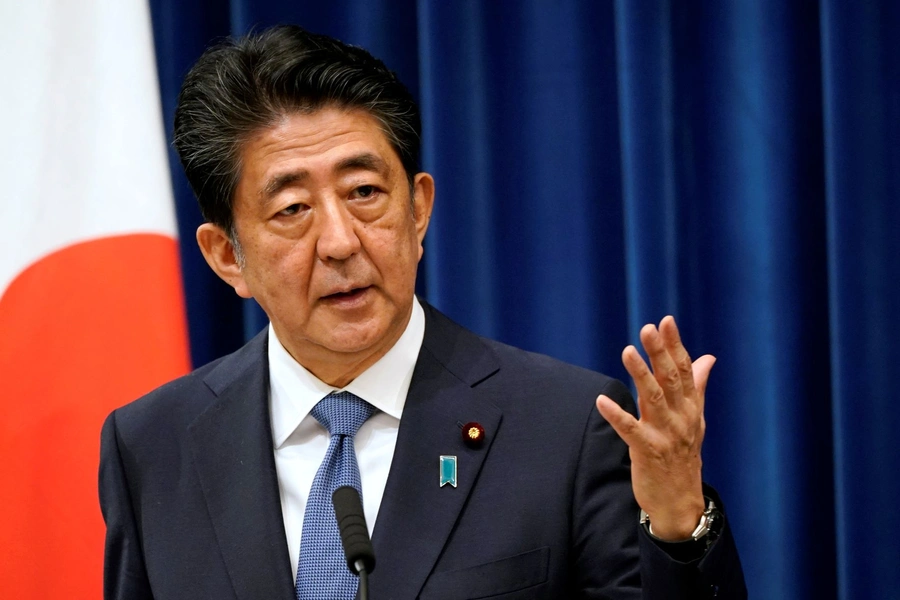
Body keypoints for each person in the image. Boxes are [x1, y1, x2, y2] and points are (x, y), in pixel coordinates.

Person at [99, 25, 746, 599]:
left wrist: (678, 526)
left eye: (364, 193)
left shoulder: (564, 430)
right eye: (292, 208)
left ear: (418, 210)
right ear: (226, 257)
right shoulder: (154, 448)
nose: (341, 242)